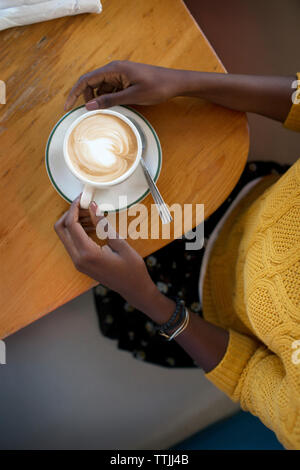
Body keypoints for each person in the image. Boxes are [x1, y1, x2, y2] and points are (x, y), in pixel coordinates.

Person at [55, 61, 300, 449]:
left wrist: (148, 300)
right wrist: (182, 81)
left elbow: (249, 376)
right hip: (237, 188)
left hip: (189, 303)